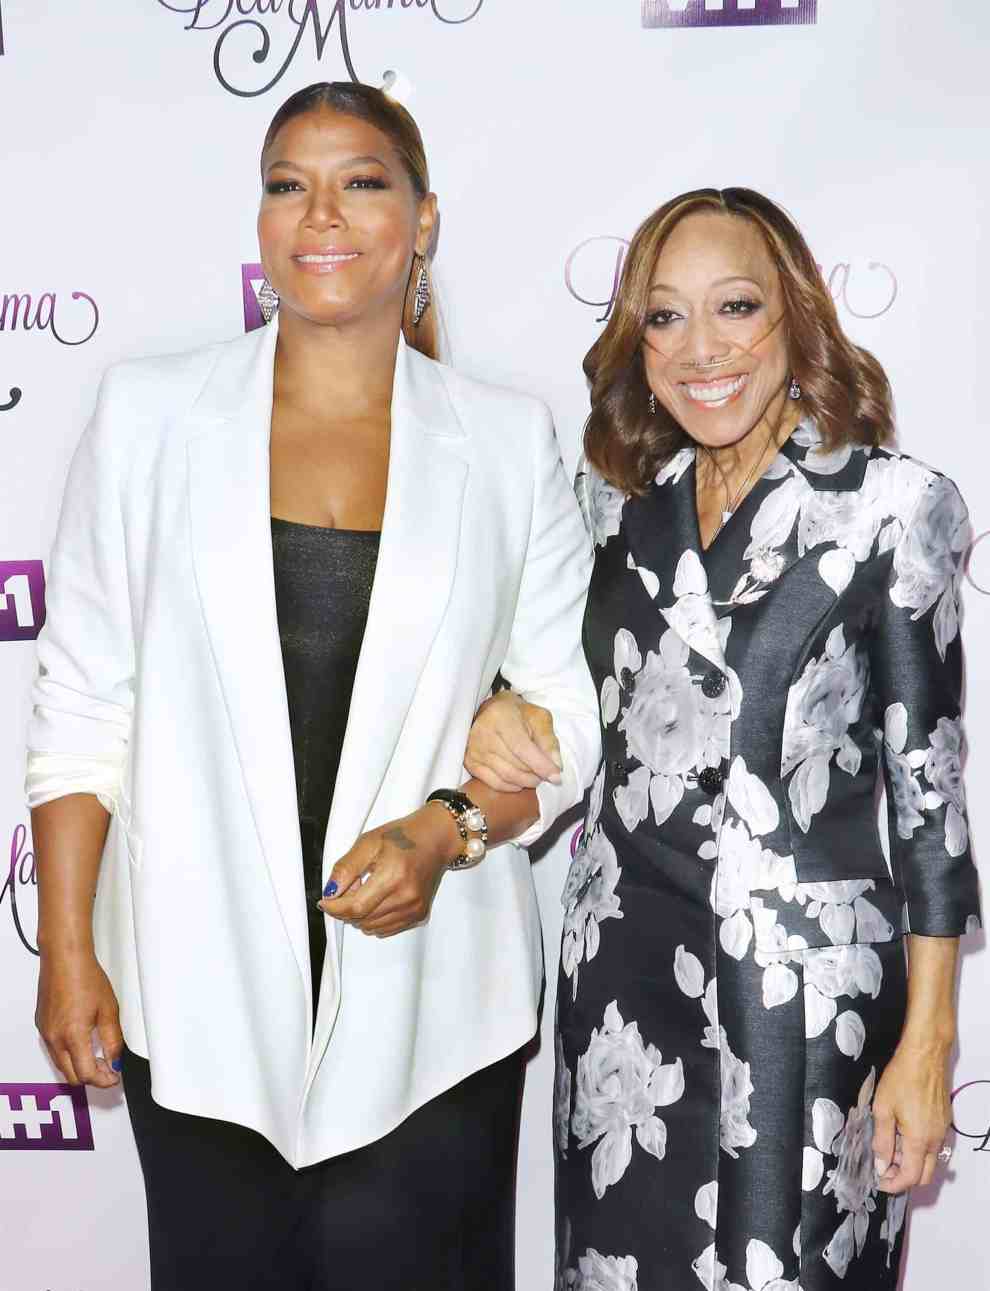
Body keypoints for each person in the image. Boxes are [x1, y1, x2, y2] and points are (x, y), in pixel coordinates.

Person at [26, 81, 600, 1291]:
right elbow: (82, 703)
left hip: (437, 1008)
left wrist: (445, 834)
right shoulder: (147, 416)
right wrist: (67, 948)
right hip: (193, 991)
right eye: (288, 182)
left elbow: (562, 719)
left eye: (363, 180)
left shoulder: (506, 440)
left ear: (424, 219)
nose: (320, 213)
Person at [466, 187, 981, 1290]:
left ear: (795, 316)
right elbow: (549, 687)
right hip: (620, 997)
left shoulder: (895, 507)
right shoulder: (607, 506)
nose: (702, 348)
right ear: (636, 344)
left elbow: (931, 801)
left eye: (735, 306)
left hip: (796, 1000)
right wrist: (505, 705)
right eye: (665, 317)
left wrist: (929, 1043)